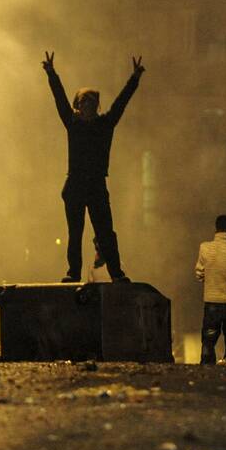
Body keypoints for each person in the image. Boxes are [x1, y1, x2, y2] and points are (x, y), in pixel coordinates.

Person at [42, 52, 144, 283]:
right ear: (78, 105)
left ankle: (116, 273)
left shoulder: (105, 124)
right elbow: (59, 98)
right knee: (75, 233)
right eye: (83, 102)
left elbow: (121, 103)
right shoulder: (73, 123)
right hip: (76, 184)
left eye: (90, 102)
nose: (86, 106)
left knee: (105, 233)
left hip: (96, 184)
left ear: (96, 106)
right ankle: (73, 273)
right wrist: (51, 73)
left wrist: (134, 78)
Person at [195, 215, 226, 363]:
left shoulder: (205, 247)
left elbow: (199, 273)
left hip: (212, 300)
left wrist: (210, 281)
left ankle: (207, 367)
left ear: (215, 228)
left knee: (208, 339)